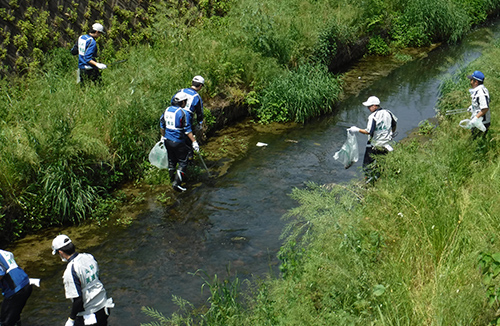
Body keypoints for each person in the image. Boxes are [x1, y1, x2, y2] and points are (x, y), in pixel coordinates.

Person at [51, 235, 114, 326]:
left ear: (60, 252)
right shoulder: (89, 257)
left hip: (89, 315)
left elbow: (78, 299)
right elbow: (97, 279)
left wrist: (71, 319)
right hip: (104, 307)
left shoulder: (70, 271)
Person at [348, 96, 397, 179]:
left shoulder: (373, 116)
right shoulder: (388, 113)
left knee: (367, 165)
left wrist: (356, 129)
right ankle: (380, 178)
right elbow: (394, 124)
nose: (368, 108)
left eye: (369, 106)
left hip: (374, 145)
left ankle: (368, 181)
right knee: (382, 163)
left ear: (375, 105)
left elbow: (368, 131)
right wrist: (391, 133)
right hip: (386, 144)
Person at [160, 92, 200, 192]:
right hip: (178, 141)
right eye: (185, 102)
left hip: (167, 141)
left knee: (171, 160)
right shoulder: (183, 113)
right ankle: (177, 184)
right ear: (182, 102)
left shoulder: (167, 110)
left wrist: (163, 136)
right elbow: (187, 130)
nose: (185, 103)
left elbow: (162, 125)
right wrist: (194, 142)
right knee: (183, 162)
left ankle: (171, 179)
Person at [171, 76, 205, 158]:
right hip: (187, 119)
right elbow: (199, 112)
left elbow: (172, 101)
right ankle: (189, 160)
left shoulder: (181, 91)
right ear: (200, 86)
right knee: (188, 141)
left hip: (174, 117)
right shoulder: (197, 97)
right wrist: (199, 123)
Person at [0, 250, 32, 326]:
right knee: (15, 315)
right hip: (26, 283)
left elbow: (0, 274)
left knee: (4, 322)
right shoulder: (2, 252)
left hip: (15, 290)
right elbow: (10, 255)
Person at [466, 70, 490, 137]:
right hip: (478, 121)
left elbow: (485, 108)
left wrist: (475, 118)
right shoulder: (478, 91)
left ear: (476, 82)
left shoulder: (481, 93)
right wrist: (472, 107)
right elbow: (479, 104)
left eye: (471, 80)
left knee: (478, 141)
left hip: (482, 123)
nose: (470, 82)